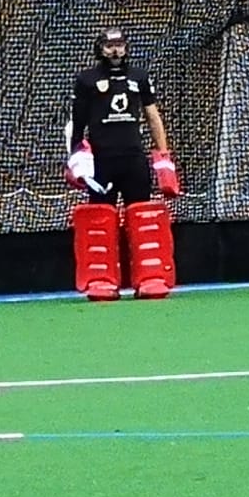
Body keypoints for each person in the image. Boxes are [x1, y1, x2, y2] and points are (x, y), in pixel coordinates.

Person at [65, 25, 181, 300]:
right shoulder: (87, 80)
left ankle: (150, 278)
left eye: (119, 45)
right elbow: (77, 122)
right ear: (101, 49)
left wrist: (163, 155)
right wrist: (74, 157)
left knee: (143, 218)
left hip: (133, 159)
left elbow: (153, 116)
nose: (115, 51)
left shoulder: (139, 77)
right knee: (99, 220)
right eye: (110, 46)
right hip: (102, 162)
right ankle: (101, 281)